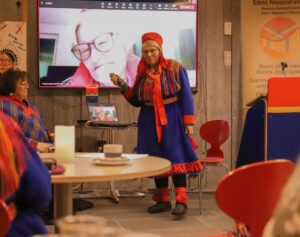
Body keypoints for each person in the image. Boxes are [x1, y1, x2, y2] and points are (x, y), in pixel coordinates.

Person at [111, 32, 203, 216]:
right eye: (145, 51)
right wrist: (122, 85)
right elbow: (136, 101)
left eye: (152, 50)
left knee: (176, 157)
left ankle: (181, 201)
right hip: (148, 119)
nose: (149, 54)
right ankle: (163, 200)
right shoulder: (142, 74)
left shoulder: (175, 68)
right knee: (156, 157)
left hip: (173, 117)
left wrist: (188, 122)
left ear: (160, 50)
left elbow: (185, 95)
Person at [0, 111, 52, 236]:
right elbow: (40, 191)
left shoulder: (29, 107)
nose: (27, 89)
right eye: (24, 88)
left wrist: (48, 134)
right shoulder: (4, 125)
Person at [63, 10, 140, 87]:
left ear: (126, 42)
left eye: (102, 42)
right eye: (85, 50)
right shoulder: (67, 93)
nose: (94, 58)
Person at [0, 69, 54, 153]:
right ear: (10, 86)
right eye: (23, 84)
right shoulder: (3, 105)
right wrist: (35, 145)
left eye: (27, 83)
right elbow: (6, 135)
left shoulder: (27, 103)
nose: (27, 87)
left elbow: (37, 127)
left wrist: (49, 134)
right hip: (21, 156)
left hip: (43, 151)